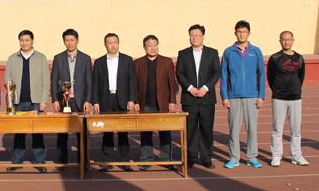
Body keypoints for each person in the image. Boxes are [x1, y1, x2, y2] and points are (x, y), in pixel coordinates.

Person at [221, 20, 265, 168]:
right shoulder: (229, 52)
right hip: (233, 96)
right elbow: (224, 75)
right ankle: (234, 157)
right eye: (239, 32)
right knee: (234, 129)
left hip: (252, 95)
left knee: (252, 129)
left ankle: (252, 157)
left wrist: (261, 95)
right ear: (235, 33)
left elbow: (261, 74)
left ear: (249, 33)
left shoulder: (256, 51)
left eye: (244, 32)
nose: (242, 34)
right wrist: (225, 96)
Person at [175, 24, 221, 169]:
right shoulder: (183, 54)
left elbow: (216, 73)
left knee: (207, 129)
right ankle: (190, 156)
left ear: (203, 36)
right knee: (190, 129)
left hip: (207, 98)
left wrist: (206, 88)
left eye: (197, 35)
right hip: (190, 98)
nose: (194, 38)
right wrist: (190, 88)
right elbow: (179, 73)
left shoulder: (212, 53)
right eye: (192, 35)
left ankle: (207, 157)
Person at [5, 30, 50, 172]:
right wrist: (10, 102)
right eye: (22, 40)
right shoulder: (12, 58)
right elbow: (7, 81)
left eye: (27, 40)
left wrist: (44, 100)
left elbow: (45, 80)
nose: (24, 43)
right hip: (18, 102)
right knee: (19, 133)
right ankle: (16, 162)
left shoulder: (41, 58)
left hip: (35, 101)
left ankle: (40, 162)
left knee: (37, 133)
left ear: (32, 41)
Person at [91, 33, 136, 172]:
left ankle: (125, 161)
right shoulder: (99, 62)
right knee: (107, 132)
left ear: (118, 43)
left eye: (115, 42)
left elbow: (131, 81)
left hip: (122, 99)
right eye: (109, 42)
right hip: (106, 99)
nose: (112, 45)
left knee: (123, 132)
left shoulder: (127, 60)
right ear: (105, 44)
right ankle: (107, 161)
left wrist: (131, 99)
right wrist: (95, 102)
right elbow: (95, 83)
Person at [50, 28, 92, 170]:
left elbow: (89, 82)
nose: (69, 43)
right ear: (64, 41)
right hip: (63, 101)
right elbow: (54, 80)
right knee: (62, 134)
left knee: (82, 134)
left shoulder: (85, 58)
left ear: (77, 41)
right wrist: (55, 100)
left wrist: (88, 100)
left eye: (72, 40)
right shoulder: (58, 58)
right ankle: (61, 162)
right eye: (67, 40)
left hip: (80, 101)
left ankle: (83, 162)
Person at [134, 35, 177, 170]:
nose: (153, 48)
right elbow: (134, 84)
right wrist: (135, 101)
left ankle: (167, 160)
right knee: (146, 133)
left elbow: (172, 83)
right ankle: (146, 160)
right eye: (150, 46)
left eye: (155, 45)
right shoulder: (137, 63)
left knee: (165, 133)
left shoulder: (166, 62)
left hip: (162, 103)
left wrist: (172, 100)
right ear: (144, 47)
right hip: (145, 104)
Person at [266, 31, 308, 167]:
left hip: (295, 98)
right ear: (280, 41)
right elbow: (270, 77)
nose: (286, 42)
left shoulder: (299, 58)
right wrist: (277, 90)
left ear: (293, 41)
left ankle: (297, 155)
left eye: (289, 40)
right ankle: (276, 155)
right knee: (277, 128)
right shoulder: (275, 58)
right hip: (279, 97)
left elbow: (301, 76)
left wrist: (295, 89)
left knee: (296, 129)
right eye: (284, 40)